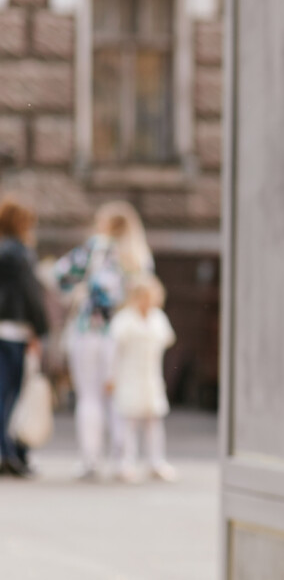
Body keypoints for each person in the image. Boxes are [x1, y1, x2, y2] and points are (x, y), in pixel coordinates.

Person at [54, 200, 155, 479]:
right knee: (119, 398)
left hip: (89, 331)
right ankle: (124, 459)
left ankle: (91, 459)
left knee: (89, 397)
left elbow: (59, 274)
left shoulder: (93, 249)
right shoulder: (139, 256)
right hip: (123, 334)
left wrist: (79, 290)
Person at [108, 273, 176, 483]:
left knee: (153, 422)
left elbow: (167, 340)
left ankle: (156, 461)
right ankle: (125, 462)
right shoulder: (124, 320)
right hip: (129, 376)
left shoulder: (158, 318)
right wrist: (111, 377)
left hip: (150, 377)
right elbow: (114, 351)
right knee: (128, 423)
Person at [0, 195, 48, 477]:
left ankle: (7, 450)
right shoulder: (19, 253)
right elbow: (32, 295)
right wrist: (40, 330)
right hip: (16, 330)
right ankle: (8, 452)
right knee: (9, 394)